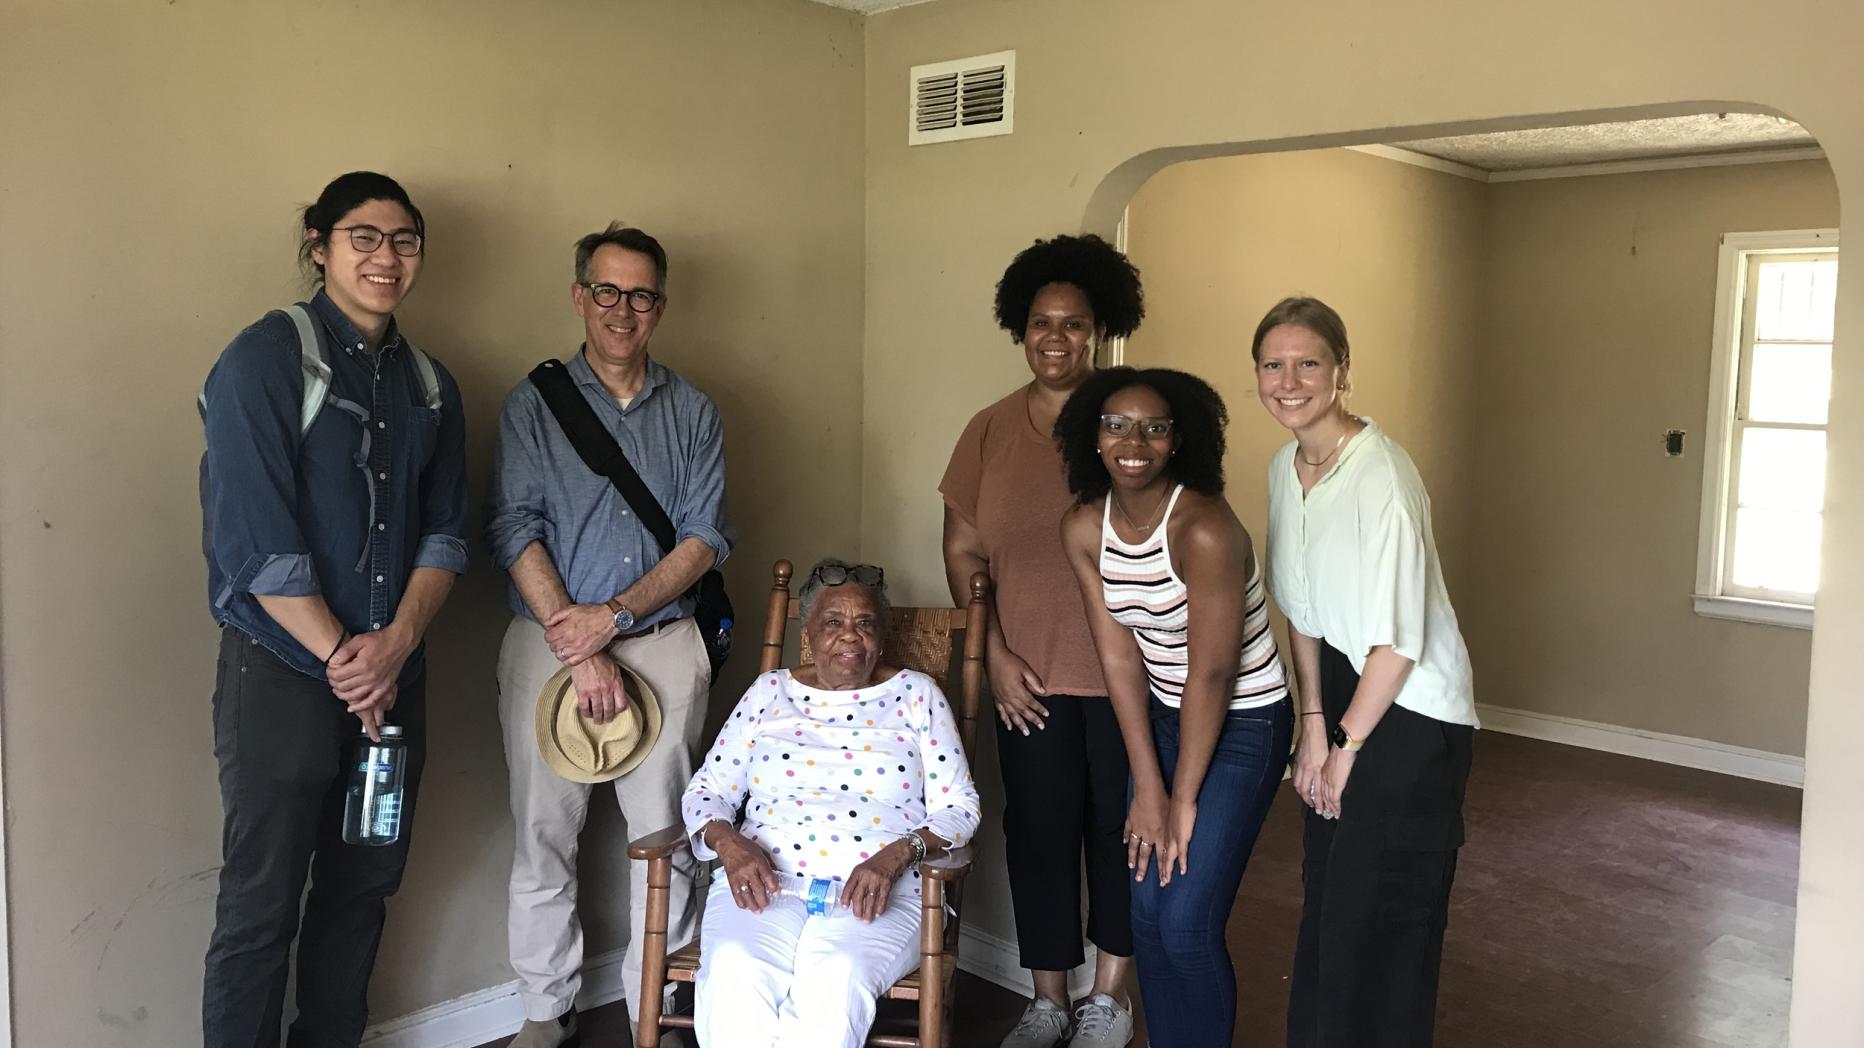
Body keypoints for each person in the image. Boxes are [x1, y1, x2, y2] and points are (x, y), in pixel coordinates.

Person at [199, 171, 469, 1047]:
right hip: (280, 679)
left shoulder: (432, 385)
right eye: (364, 237)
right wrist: (348, 661)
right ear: (318, 245)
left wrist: (393, 648)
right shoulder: (264, 358)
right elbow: (255, 541)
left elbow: (445, 535)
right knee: (259, 905)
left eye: (403, 240)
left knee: (361, 889)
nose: (385, 258)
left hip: (393, 686)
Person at [484, 223, 732, 1048]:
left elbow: (703, 538)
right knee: (541, 836)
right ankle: (543, 1013)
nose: (622, 310)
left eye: (640, 295)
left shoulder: (693, 410)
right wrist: (582, 642)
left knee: (669, 841)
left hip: (662, 641)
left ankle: (655, 1013)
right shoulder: (534, 402)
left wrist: (617, 618)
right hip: (548, 647)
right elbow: (513, 525)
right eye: (606, 291)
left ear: (659, 306)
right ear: (579, 296)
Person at [1251, 296, 1477, 1048]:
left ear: (1342, 371)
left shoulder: (1382, 476)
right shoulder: (1287, 466)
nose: (1290, 380)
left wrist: (1346, 749)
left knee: (1382, 920)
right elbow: (1302, 611)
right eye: (1273, 365)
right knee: (1329, 906)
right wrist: (1312, 727)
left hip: (1409, 712)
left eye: (1308, 362)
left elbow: (1401, 643)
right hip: (1343, 696)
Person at [939, 233, 1144, 1048]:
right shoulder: (988, 430)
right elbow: (962, 550)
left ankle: (1110, 998)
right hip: (1030, 681)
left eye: (1073, 322)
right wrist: (992, 655)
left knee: (1121, 837)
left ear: (1098, 329)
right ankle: (1050, 999)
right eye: (1039, 322)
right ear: (1019, 329)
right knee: (1039, 835)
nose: (1055, 337)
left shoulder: (1129, 421)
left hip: (1130, 676)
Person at [1057, 367, 1294, 1048]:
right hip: (1163, 716)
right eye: (1116, 424)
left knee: (1186, 923)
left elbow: (1214, 673)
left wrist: (1180, 796)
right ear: (1092, 437)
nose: (1134, 440)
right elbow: (1120, 661)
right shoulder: (1082, 528)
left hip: (1246, 720)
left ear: (1178, 440)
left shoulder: (1205, 527)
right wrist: (1147, 789)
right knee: (1147, 917)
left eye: (1154, 427)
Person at [681, 559, 982, 1048]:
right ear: (810, 635)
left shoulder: (916, 696)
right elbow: (706, 791)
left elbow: (961, 807)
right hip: (765, 885)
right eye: (833, 622)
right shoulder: (767, 693)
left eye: (864, 623)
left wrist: (895, 856)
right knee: (736, 976)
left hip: (882, 893)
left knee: (834, 979)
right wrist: (730, 847)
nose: (849, 636)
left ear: (880, 638)